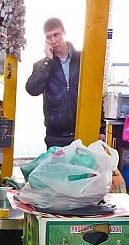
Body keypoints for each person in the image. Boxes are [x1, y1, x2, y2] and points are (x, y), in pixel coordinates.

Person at [26, 17, 81, 148]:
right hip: (55, 135)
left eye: (56, 35)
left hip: (82, 130)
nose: (54, 41)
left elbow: (95, 93)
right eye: (49, 37)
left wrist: (100, 129)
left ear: (64, 32)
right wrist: (48, 61)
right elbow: (32, 90)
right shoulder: (42, 65)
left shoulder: (82, 59)